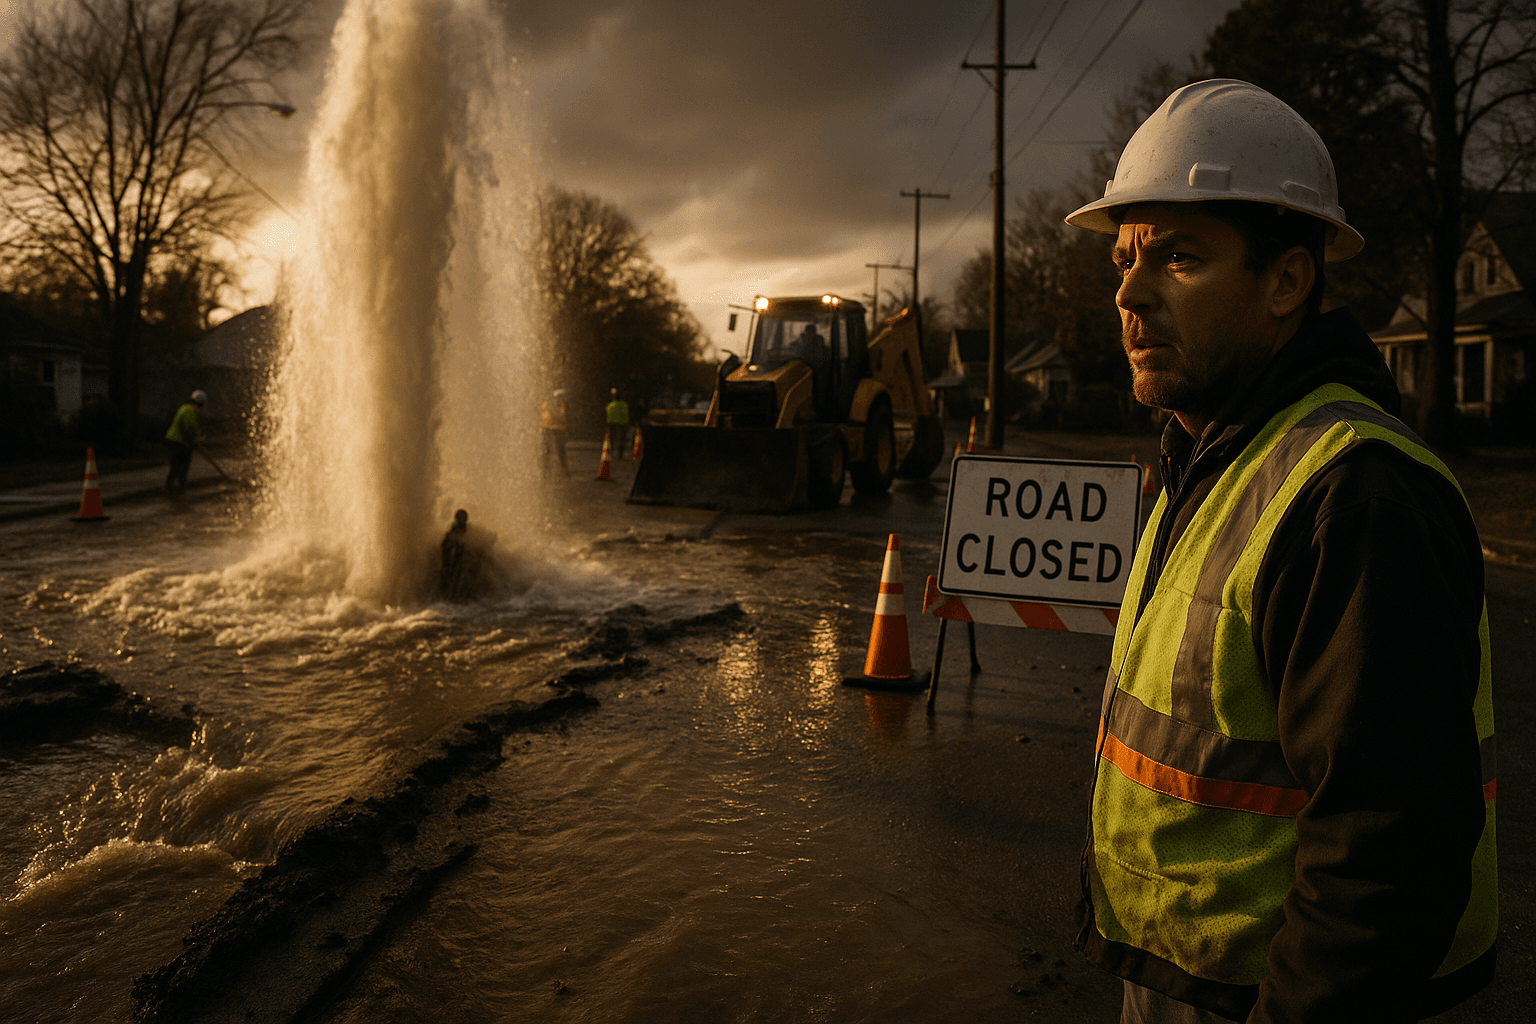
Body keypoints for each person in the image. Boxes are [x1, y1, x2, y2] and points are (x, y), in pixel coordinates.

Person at [1063, 79, 1495, 1023]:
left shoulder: (1356, 495)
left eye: (1179, 258)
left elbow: (1388, 859)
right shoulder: (1211, 453)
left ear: (1288, 281)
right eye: (1127, 259)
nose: (1130, 293)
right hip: (1183, 977)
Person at [164, 389, 206, 493]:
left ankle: (173, 487)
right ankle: (177, 488)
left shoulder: (184, 408)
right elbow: (188, 428)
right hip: (180, 442)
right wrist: (194, 440)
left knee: (175, 465)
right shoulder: (191, 411)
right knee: (182, 465)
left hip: (174, 440)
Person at [540, 388, 570, 476]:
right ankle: (563, 470)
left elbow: (543, 414)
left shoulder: (546, 403)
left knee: (547, 449)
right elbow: (564, 415)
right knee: (560, 449)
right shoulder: (562, 404)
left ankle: (546, 470)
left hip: (547, 427)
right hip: (558, 428)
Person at [605, 387, 631, 458]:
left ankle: (610, 451)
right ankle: (620, 454)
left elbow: (607, 413)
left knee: (612, 439)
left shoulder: (610, 404)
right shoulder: (624, 404)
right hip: (622, 423)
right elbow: (626, 414)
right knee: (622, 439)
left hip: (611, 423)